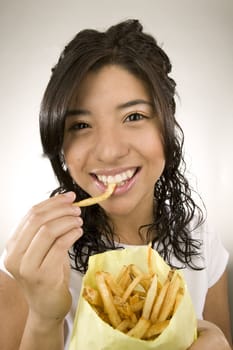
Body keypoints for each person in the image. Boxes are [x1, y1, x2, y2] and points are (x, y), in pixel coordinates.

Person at [0, 19, 232, 350]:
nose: (110, 151)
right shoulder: (31, 260)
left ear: (167, 123)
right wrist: (44, 316)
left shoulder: (201, 237)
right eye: (80, 124)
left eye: (134, 116)